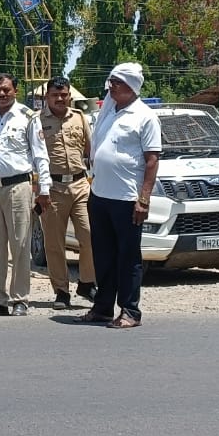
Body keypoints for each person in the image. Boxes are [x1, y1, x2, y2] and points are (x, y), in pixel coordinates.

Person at [80, 63, 161, 329]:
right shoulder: (107, 110)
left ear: (131, 86)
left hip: (127, 198)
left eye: (116, 82)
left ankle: (130, 311)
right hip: (100, 194)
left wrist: (144, 199)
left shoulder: (145, 116)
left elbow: (151, 161)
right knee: (103, 255)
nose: (110, 85)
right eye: (111, 81)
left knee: (128, 257)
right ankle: (103, 307)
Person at [0, 73, 51, 316]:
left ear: (15, 90)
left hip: (18, 188)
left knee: (20, 244)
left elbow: (40, 155)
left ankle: (19, 299)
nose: (2, 94)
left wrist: (44, 190)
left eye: (6, 89)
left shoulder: (28, 117)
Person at [38, 76, 96, 310]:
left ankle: (86, 282)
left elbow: (90, 152)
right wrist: (38, 190)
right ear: (47, 97)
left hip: (81, 185)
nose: (60, 99)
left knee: (89, 235)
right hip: (52, 188)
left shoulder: (80, 118)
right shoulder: (37, 121)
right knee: (54, 243)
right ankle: (61, 291)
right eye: (55, 95)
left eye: (64, 95)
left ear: (69, 95)